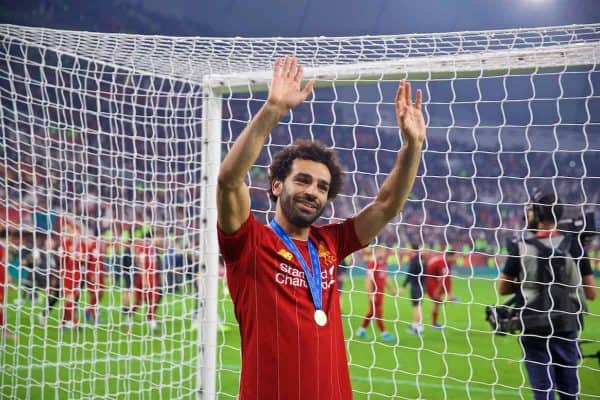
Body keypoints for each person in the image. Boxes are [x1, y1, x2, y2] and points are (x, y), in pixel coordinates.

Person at [217, 56, 425, 400]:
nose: (313, 191)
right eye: (303, 180)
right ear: (276, 186)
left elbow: (387, 205)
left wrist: (412, 146)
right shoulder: (249, 242)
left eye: (322, 187)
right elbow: (228, 181)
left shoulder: (331, 242)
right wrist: (273, 109)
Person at [498, 192, 596, 400]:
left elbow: (503, 288)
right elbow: (591, 292)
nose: (528, 213)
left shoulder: (520, 246)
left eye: (531, 209)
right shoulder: (574, 245)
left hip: (533, 325)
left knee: (543, 390)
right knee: (570, 390)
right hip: (566, 324)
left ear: (539, 214)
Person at [356, 246, 397, 341]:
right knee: (378, 312)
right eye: (381, 251)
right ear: (376, 252)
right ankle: (384, 333)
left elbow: (385, 277)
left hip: (380, 292)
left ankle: (361, 330)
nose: (383, 253)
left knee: (371, 312)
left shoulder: (383, 263)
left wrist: (392, 289)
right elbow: (368, 279)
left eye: (384, 251)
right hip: (374, 293)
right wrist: (370, 294)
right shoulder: (372, 263)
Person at [425, 249, 456, 329]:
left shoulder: (444, 260)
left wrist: (449, 293)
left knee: (437, 303)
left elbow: (447, 278)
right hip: (431, 283)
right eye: (454, 257)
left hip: (430, 281)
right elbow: (443, 279)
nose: (455, 259)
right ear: (450, 256)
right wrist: (437, 292)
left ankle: (434, 323)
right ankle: (434, 323)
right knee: (437, 301)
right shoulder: (443, 262)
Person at [403, 242, 426, 336]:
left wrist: (403, 286)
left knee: (417, 307)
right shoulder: (423, 259)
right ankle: (415, 326)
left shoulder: (414, 260)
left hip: (416, 286)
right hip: (422, 285)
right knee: (417, 306)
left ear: (412, 249)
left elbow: (410, 274)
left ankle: (419, 329)